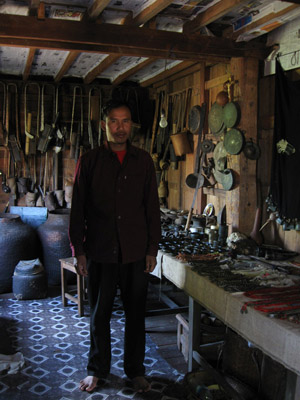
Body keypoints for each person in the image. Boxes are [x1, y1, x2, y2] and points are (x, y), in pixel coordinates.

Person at [69, 99, 161, 393]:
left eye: (125, 122)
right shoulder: (90, 160)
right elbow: (78, 209)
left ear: (131, 125)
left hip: (135, 251)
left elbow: (152, 209)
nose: (120, 128)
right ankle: (97, 370)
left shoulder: (143, 161)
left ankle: (135, 371)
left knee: (136, 315)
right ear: (104, 125)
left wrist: (151, 250)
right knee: (99, 314)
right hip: (100, 249)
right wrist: (78, 252)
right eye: (114, 121)